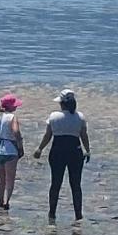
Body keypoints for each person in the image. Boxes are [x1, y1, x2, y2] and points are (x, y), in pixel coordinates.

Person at [32, 89, 90, 223]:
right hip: (75, 152)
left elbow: (48, 135)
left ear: (62, 104)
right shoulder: (80, 117)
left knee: (55, 183)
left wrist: (39, 149)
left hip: (57, 151)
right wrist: (87, 150)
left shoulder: (54, 117)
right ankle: (78, 215)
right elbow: (84, 136)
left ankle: (52, 213)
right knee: (76, 185)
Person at [0, 94, 25, 210]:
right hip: (9, 150)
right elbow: (16, 132)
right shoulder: (12, 117)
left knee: (1, 178)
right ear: (11, 107)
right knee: (10, 178)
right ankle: (7, 202)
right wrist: (20, 147)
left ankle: (0, 201)